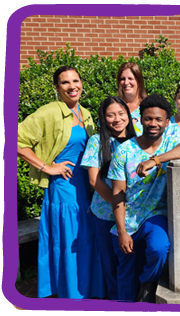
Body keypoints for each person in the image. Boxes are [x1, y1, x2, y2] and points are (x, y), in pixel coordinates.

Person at [17, 66, 104, 299]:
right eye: (65, 82)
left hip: (85, 186)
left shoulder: (85, 113)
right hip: (63, 188)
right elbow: (15, 139)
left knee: (85, 239)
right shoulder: (50, 112)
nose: (72, 86)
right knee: (69, 239)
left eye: (76, 80)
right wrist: (47, 167)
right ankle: (70, 293)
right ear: (57, 87)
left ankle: (86, 288)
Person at [108, 93, 180, 302]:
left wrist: (155, 160)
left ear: (167, 122)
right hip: (128, 217)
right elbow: (117, 194)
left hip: (155, 214)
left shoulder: (171, 144)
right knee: (125, 276)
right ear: (141, 119)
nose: (153, 123)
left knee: (159, 247)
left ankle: (148, 286)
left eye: (158, 119)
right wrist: (121, 231)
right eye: (148, 118)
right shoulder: (124, 151)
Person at [81, 96, 136, 300]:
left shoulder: (138, 140)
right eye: (110, 115)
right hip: (105, 213)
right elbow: (95, 181)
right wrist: (117, 205)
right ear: (103, 118)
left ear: (128, 116)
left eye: (121, 113)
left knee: (130, 261)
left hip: (132, 213)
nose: (117, 119)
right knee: (110, 262)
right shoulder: (97, 141)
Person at [117, 62, 148, 136]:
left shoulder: (148, 107)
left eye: (130, 78)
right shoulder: (113, 106)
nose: (126, 82)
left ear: (139, 82)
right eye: (122, 79)